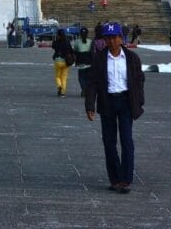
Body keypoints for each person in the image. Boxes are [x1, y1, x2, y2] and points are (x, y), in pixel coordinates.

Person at [85, 22, 145, 193]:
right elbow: (92, 84)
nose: (111, 41)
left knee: (127, 141)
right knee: (109, 142)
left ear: (121, 38)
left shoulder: (132, 58)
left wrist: (139, 100)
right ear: (104, 40)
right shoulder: (99, 59)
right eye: (108, 38)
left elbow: (139, 79)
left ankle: (126, 179)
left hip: (126, 102)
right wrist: (90, 105)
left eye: (114, 37)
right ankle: (115, 178)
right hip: (107, 102)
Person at [52, 29, 74, 97]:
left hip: (58, 61)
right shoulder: (67, 42)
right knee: (64, 77)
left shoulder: (56, 42)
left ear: (58, 35)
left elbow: (53, 46)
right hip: (65, 61)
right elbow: (71, 50)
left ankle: (59, 86)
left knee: (57, 76)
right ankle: (63, 92)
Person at [72, 27, 93, 97]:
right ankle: (86, 90)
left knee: (81, 78)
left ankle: (84, 89)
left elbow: (75, 52)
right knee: (88, 78)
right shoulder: (90, 41)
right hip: (89, 63)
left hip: (80, 62)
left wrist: (74, 61)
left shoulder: (77, 42)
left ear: (80, 34)